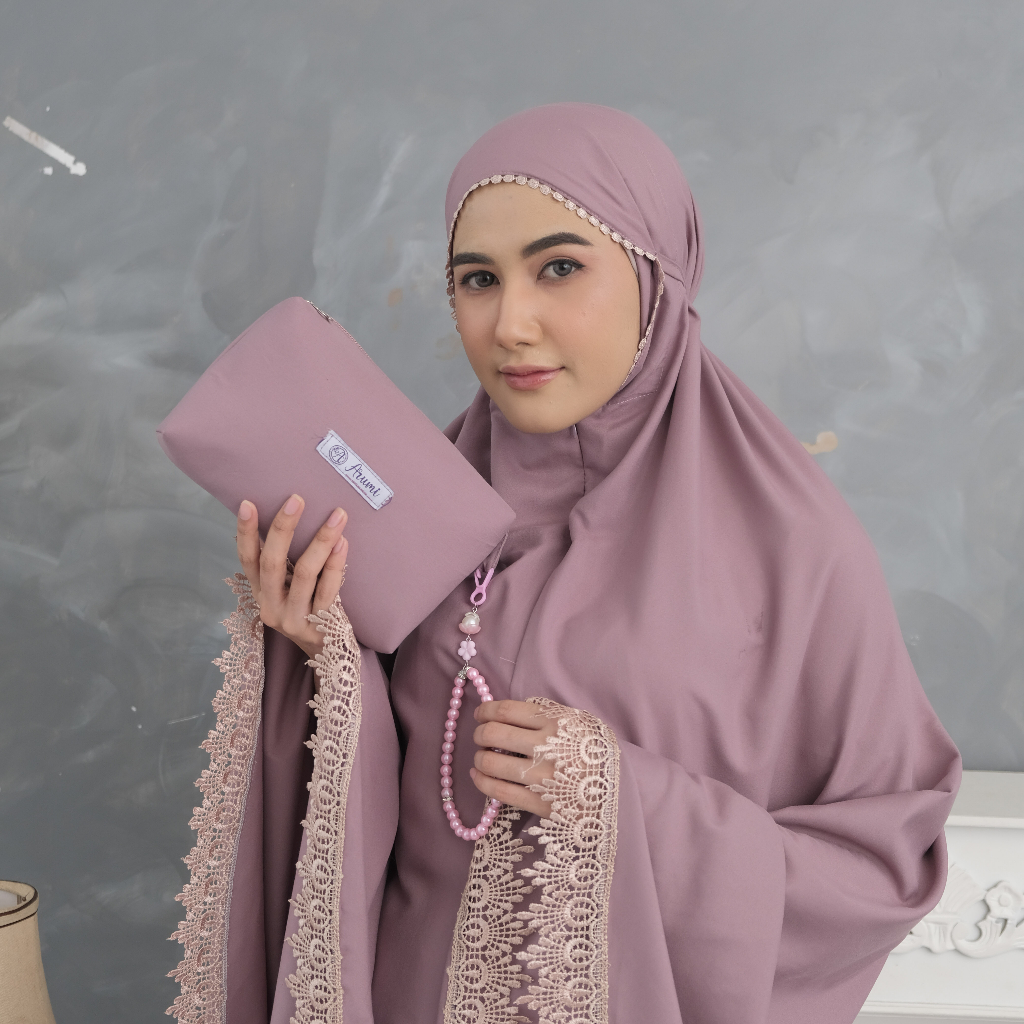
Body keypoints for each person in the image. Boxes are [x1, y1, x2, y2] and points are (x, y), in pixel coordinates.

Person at [169, 103, 961, 1024]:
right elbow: (378, 817)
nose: (511, 324)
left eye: (559, 268)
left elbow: (884, 868)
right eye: (478, 279)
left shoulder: (794, 549)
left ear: (657, 276)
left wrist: (627, 799)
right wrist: (320, 658)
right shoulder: (421, 511)